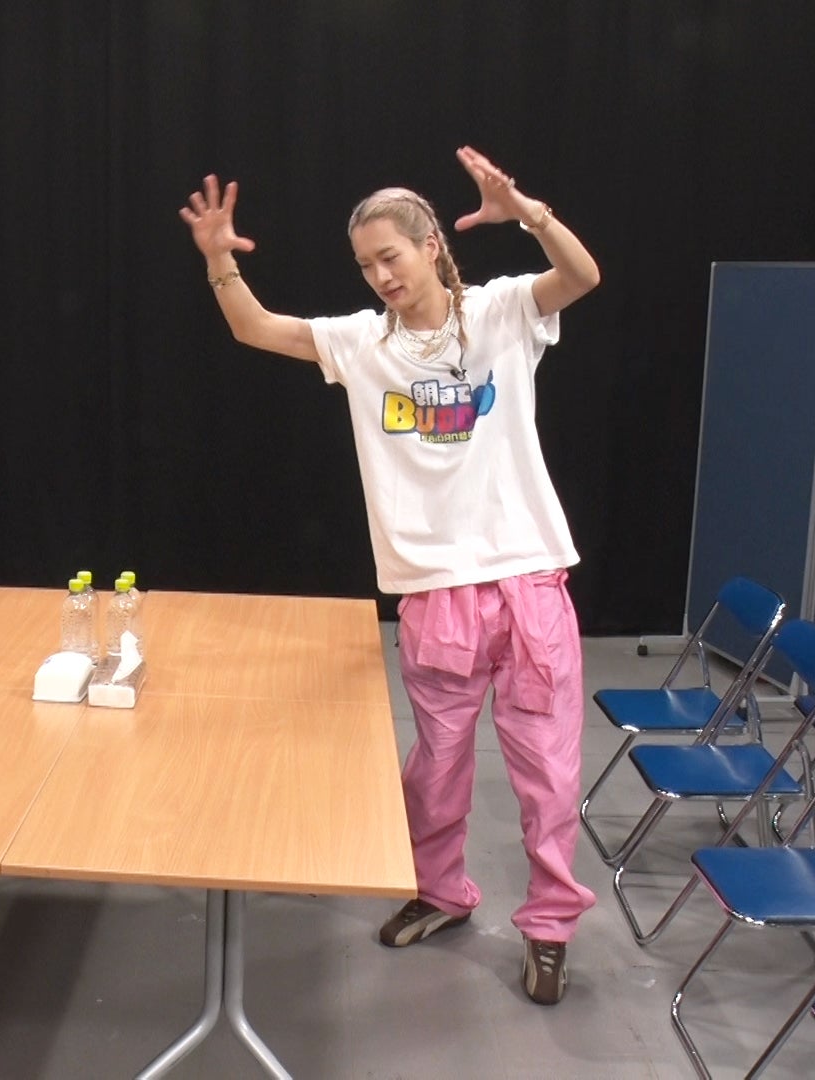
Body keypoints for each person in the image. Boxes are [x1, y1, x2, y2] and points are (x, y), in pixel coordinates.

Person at [178, 147, 601, 1005]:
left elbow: (582, 276)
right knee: (435, 768)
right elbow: (257, 328)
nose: (381, 277)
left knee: (549, 773)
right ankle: (441, 892)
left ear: (431, 245)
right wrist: (219, 258)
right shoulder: (361, 343)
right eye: (366, 265)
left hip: (527, 580)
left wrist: (527, 212)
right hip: (433, 590)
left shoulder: (501, 312)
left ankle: (551, 925)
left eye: (391, 257)